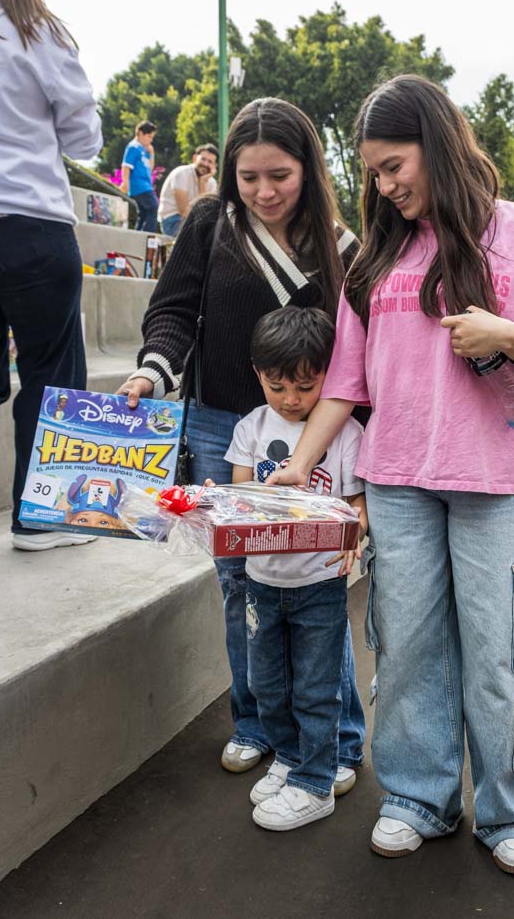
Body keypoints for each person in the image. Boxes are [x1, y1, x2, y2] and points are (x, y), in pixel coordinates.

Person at [266, 75, 514, 874]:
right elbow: (345, 380)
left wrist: (508, 334)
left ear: (438, 142)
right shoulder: (377, 259)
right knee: (406, 647)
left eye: (394, 163)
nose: (385, 184)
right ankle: (416, 796)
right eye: (373, 171)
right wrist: (297, 468)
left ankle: (512, 808)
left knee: (499, 651)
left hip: (499, 480)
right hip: (399, 481)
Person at [119, 97, 366, 790]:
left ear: (308, 171)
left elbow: (355, 355)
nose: (263, 191)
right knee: (240, 591)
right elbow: (172, 310)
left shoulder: (343, 251)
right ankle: (255, 725)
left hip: (308, 440)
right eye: (248, 176)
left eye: (279, 175)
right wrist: (150, 371)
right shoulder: (209, 223)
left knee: (318, 591)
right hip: (220, 429)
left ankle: (337, 739)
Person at [224, 306, 367, 831]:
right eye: (278, 385)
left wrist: (356, 530)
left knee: (316, 685)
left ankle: (315, 779)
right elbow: (240, 495)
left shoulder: (345, 433)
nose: (290, 399)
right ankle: (287, 757)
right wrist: (214, 506)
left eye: (306, 387)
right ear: (257, 373)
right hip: (262, 582)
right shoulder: (250, 427)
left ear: (330, 374)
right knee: (268, 681)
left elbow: (356, 503)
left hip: (320, 585)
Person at [0, 0, 102, 550]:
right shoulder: (37, 29)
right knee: (52, 375)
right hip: (33, 223)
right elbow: (84, 139)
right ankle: (40, 517)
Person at [158, 144, 218, 238]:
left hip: (193, 222)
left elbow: (207, 213)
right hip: (173, 219)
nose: (205, 164)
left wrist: (202, 183)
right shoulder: (181, 173)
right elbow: (184, 211)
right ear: (194, 158)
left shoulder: (211, 183)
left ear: (215, 166)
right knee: (202, 237)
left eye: (210, 162)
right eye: (203, 159)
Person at [120, 120, 158, 232]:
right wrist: (125, 182)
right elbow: (126, 166)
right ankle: (147, 236)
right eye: (149, 137)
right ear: (140, 133)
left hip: (146, 185)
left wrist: (151, 153)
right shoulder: (133, 147)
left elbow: (150, 168)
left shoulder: (144, 150)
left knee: (144, 213)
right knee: (153, 206)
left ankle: (137, 235)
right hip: (140, 186)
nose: (151, 140)